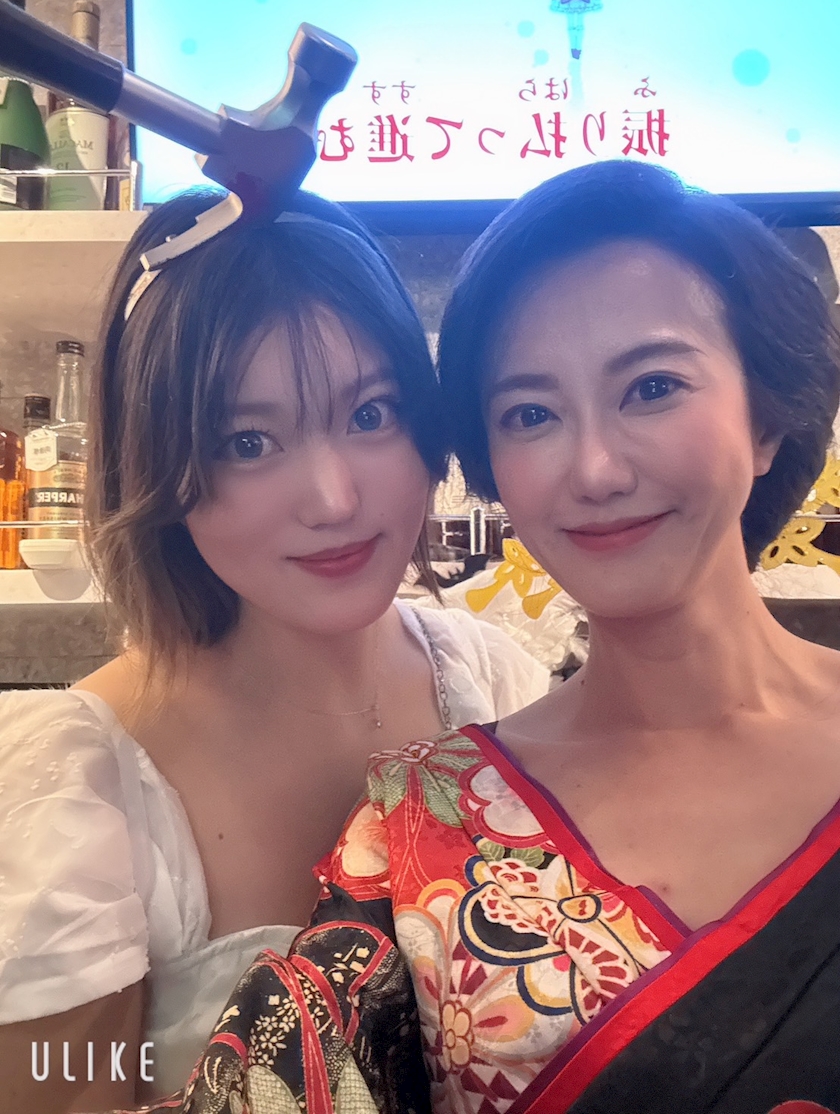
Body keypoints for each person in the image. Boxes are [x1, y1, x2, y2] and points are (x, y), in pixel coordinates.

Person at [98, 159, 840, 1114]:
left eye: (652, 386)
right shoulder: (420, 825)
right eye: (531, 414)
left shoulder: (484, 676)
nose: (596, 468)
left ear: (767, 416)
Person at [0, 189, 550, 1113]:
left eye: (370, 413)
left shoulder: (497, 684)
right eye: (248, 441)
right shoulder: (74, 788)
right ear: (157, 468)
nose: (333, 498)